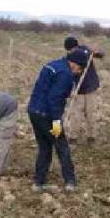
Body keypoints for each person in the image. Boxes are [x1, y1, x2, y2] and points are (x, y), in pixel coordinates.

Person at [27, 49, 88, 191]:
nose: (79, 72)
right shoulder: (66, 74)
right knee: (62, 146)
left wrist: (66, 93)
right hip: (47, 115)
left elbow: (47, 89)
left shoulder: (53, 65)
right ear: (73, 63)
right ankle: (70, 181)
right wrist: (56, 121)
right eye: (79, 68)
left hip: (34, 111)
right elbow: (54, 99)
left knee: (44, 147)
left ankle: (39, 182)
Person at [63, 37, 105, 144]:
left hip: (91, 87)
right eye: (68, 51)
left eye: (71, 50)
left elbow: (100, 54)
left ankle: (91, 136)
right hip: (78, 89)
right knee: (76, 113)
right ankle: (73, 137)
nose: (70, 52)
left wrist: (98, 53)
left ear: (75, 47)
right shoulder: (68, 58)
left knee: (90, 112)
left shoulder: (86, 50)